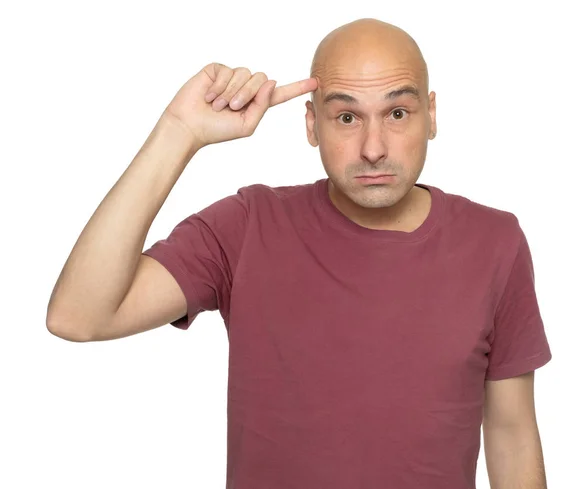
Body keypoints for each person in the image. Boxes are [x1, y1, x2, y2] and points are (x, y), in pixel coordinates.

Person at [46, 17, 552, 489]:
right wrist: (179, 133)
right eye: (347, 116)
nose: (373, 147)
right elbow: (79, 316)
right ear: (311, 125)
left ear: (432, 115)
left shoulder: (494, 241)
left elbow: (511, 432)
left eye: (397, 113)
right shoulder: (247, 225)